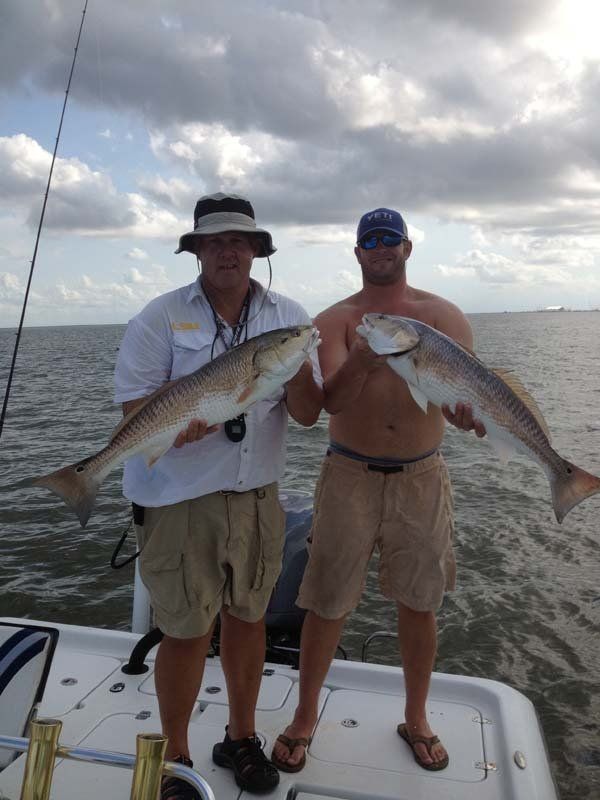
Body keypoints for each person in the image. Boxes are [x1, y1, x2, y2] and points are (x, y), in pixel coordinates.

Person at [114, 192, 322, 798]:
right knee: (183, 630)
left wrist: (301, 363)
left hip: (257, 494)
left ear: (258, 250)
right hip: (180, 497)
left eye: (240, 240)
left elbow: (307, 414)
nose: (228, 250)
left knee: (249, 619)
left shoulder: (288, 318)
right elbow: (135, 407)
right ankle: (177, 758)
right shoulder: (158, 317)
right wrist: (184, 420)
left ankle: (240, 737)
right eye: (215, 241)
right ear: (197, 250)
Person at [272, 206, 485, 774]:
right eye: (370, 240)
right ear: (358, 253)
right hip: (349, 475)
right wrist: (364, 360)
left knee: (420, 604)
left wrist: (466, 416)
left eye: (390, 238)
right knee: (324, 602)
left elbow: (461, 393)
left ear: (408, 248)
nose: (381, 247)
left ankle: (417, 717)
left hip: (422, 475)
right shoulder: (338, 321)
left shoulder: (444, 317)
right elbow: (329, 405)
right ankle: (304, 715)